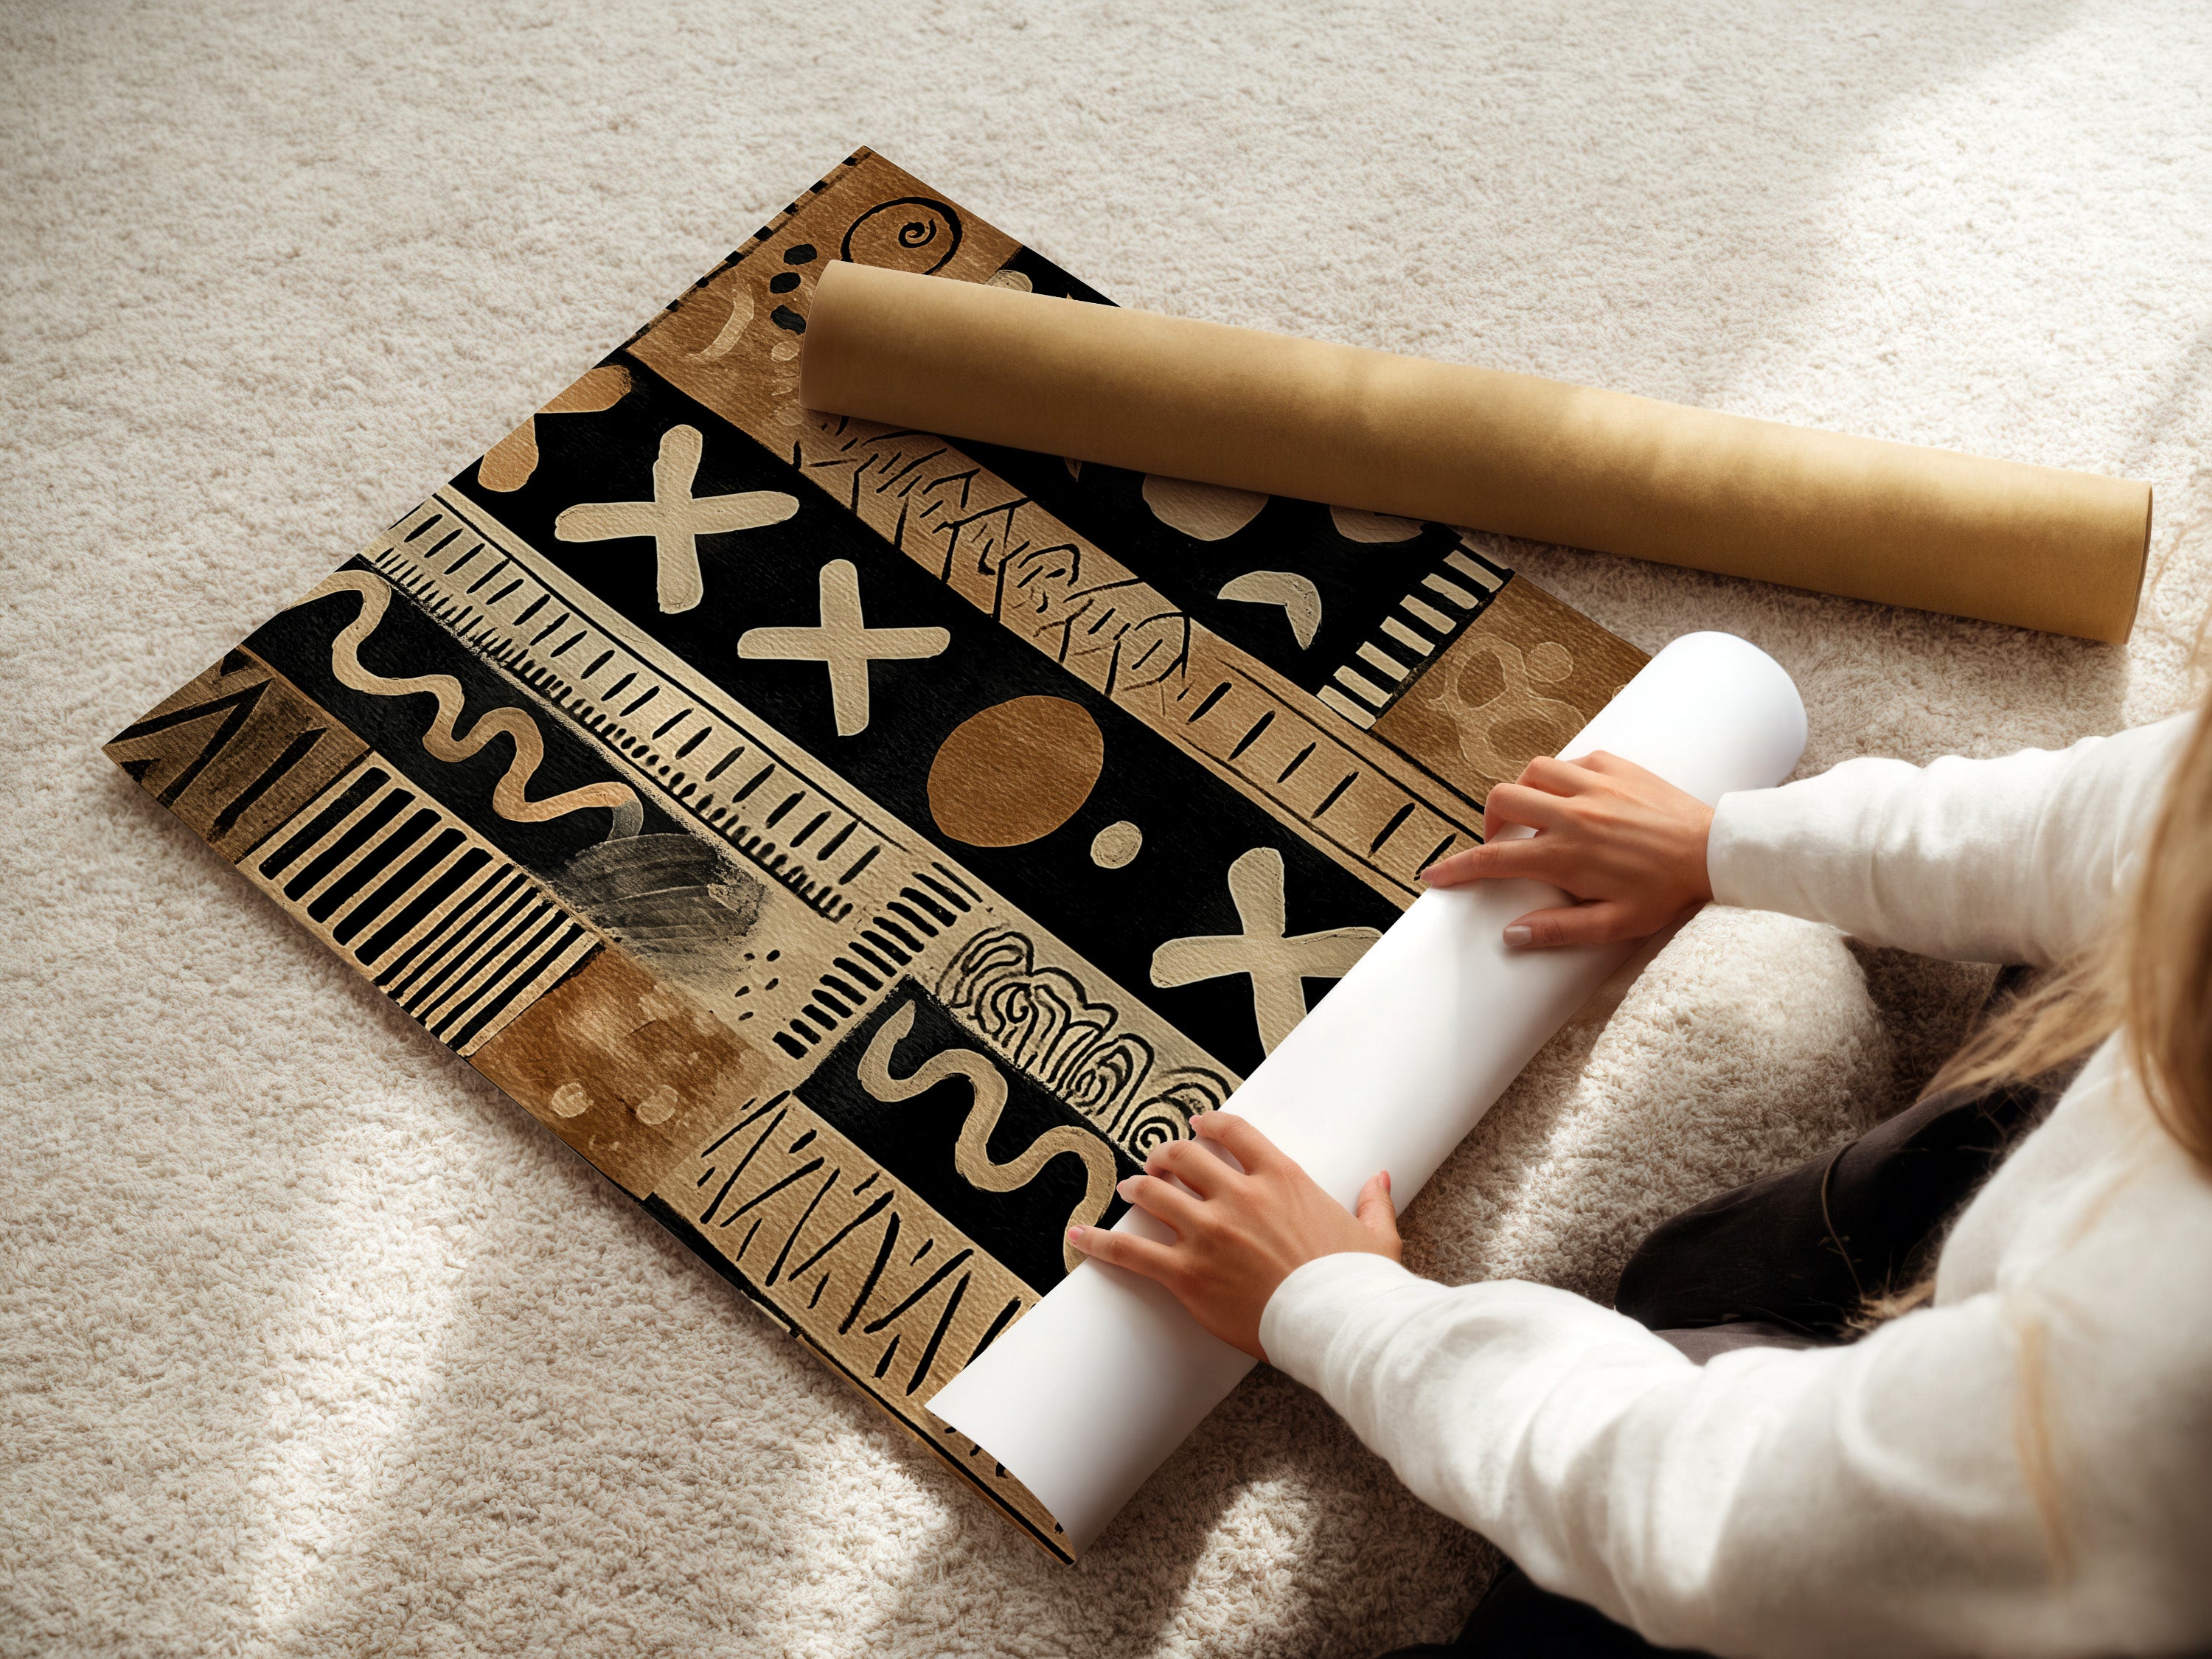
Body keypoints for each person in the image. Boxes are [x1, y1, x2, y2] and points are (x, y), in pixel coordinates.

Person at [1068, 702, 2212, 1657]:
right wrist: (1722, 841)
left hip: (2054, 1557)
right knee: (1704, 1276)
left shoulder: (2158, 1377)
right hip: (2067, 1320)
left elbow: (1714, 1512)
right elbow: (2122, 818)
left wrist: (1336, 1306)